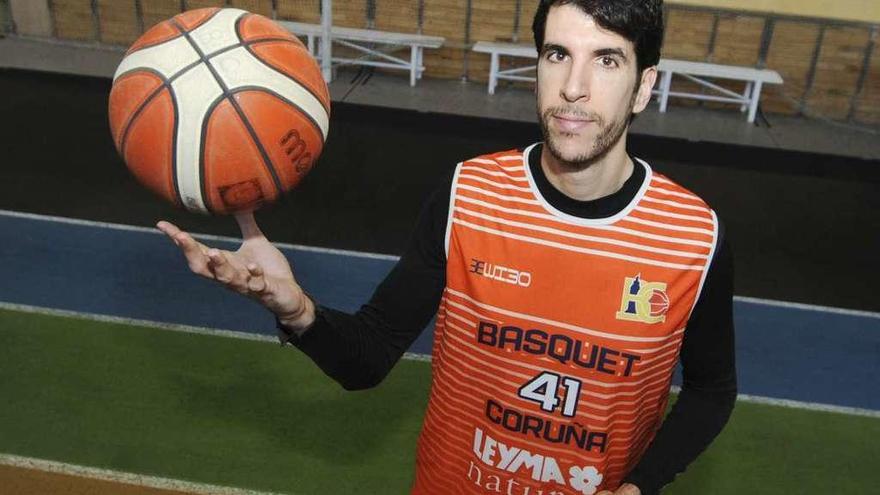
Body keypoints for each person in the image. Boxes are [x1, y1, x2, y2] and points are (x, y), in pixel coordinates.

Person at [158, 1, 736, 493]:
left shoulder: (693, 237)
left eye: (606, 60)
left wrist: (641, 485)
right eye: (557, 55)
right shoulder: (469, 195)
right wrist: (293, 308)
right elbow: (367, 359)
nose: (573, 88)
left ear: (644, 86)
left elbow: (711, 390)